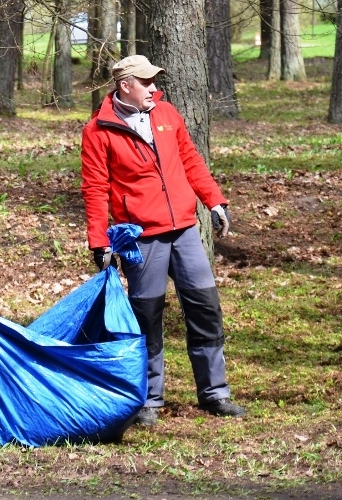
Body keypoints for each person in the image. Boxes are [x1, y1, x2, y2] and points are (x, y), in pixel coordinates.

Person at [80, 54, 246, 427]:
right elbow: (94, 188)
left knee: (205, 309)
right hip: (142, 240)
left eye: (155, 80)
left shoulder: (167, 115)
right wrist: (98, 240)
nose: (154, 88)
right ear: (126, 86)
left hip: (185, 229)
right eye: (146, 82)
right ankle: (149, 400)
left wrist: (214, 201)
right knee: (146, 318)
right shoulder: (98, 130)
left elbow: (190, 160)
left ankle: (215, 393)